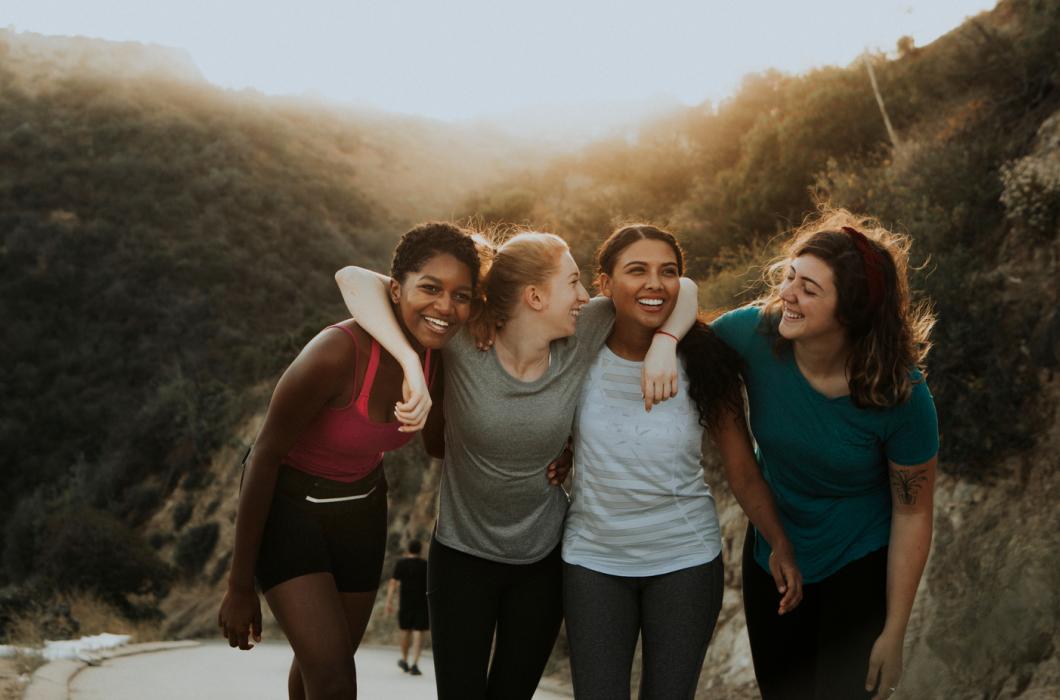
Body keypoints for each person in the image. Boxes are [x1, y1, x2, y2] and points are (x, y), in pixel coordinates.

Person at [334, 229, 697, 699]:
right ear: (534, 296)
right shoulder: (463, 336)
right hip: (461, 555)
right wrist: (409, 361)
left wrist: (665, 342)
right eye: (572, 283)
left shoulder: (583, 331)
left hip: (541, 562)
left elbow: (682, 290)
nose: (584, 296)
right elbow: (354, 279)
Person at [217, 222, 481, 700]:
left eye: (461, 296)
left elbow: (438, 447)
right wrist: (239, 585)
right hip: (290, 511)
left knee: (324, 667)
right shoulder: (336, 353)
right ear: (396, 289)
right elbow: (264, 457)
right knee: (336, 678)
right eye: (430, 288)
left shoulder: (438, 359)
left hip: (361, 513)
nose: (445, 306)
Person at [562, 224, 802, 700]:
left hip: (685, 559)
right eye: (637, 271)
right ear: (605, 284)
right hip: (592, 559)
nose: (655, 284)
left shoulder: (705, 358)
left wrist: (779, 541)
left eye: (667, 272)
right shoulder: (577, 344)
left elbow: (741, 467)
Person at [711, 207, 938, 700]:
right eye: (789, 276)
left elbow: (913, 512)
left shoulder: (901, 393)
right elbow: (678, 316)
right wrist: (667, 344)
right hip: (773, 555)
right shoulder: (752, 334)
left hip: (858, 561)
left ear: (851, 311)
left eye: (809, 289)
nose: (786, 295)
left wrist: (894, 631)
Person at [385, 539, 429, 676]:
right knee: (418, 633)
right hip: (422, 603)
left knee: (405, 631)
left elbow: (393, 583)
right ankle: (415, 664)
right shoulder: (426, 565)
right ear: (420, 550)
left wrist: (389, 601)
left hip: (406, 603)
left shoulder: (401, 563)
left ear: (409, 549)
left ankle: (404, 660)